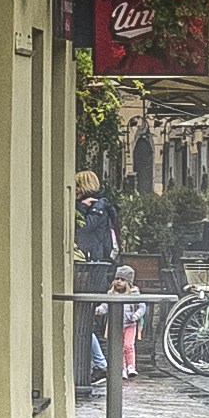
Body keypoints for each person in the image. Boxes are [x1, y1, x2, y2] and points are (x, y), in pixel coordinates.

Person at [73, 169, 121, 394]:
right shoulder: (98, 205)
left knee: (83, 318)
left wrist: (81, 208)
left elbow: (84, 227)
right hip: (94, 264)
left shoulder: (97, 207)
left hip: (92, 266)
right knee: (84, 319)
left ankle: (101, 365)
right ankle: (99, 364)